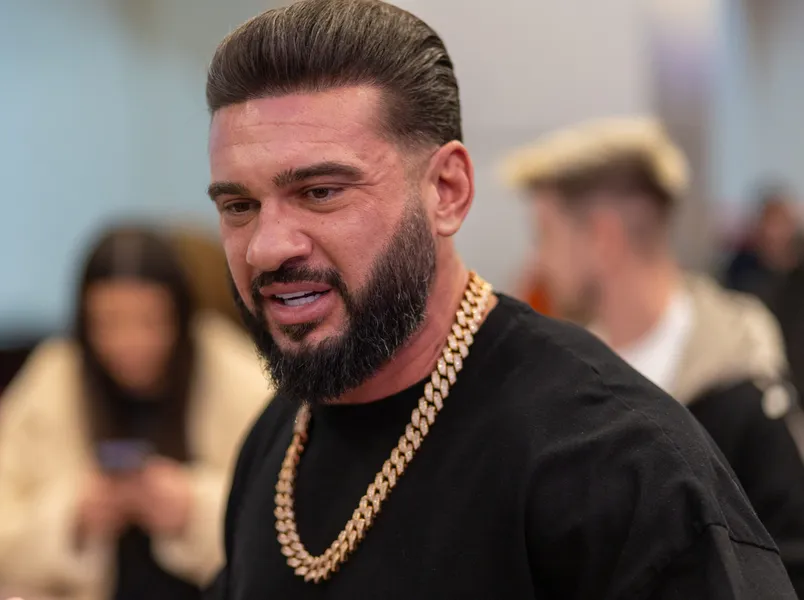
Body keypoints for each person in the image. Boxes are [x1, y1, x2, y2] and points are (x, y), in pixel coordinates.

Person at [205, 1, 797, 597]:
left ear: (447, 190)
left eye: (320, 192)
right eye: (239, 206)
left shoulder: (617, 459)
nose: (266, 247)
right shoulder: (278, 441)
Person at [503, 116, 804, 585]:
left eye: (544, 234)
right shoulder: (563, 382)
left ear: (602, 238)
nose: (537, 260)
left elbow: (790, 568)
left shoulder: (741, 386)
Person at [0, 225, 270, 600]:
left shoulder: (237, 378)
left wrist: (193, 509)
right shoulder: (51, 382)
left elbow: (280, 528)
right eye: (108, 323)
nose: (130, 342)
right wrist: (75, 516)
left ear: (181, 317)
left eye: (150, 321)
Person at [724, 184, 801, 309]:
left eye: (779, 224)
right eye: (768, 222)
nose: (772, 232)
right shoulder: (740, 269)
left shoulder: (798, 273)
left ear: (791, 226)